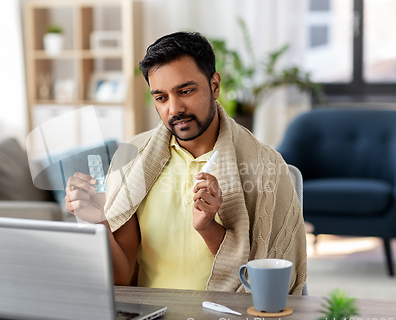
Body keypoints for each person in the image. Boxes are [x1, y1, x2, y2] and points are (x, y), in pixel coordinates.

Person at [65, 31, 307, 295]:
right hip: (149, 318)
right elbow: (121, 278)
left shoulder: (266, 167)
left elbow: (267, 286)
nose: (174, 108)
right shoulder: (132, 160)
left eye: (186, 91)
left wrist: (208, 228)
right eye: (161, 97)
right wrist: (97, 221)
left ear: (214, 86)